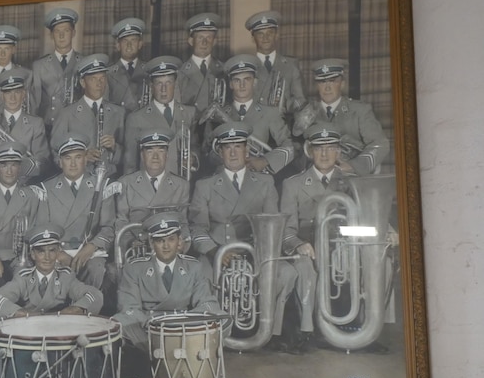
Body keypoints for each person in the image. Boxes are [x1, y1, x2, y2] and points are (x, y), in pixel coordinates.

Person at [188, 123, 296, 351]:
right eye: (228, 147)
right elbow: (197, 228)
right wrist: (215, 251)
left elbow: (271, 225)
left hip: (252, 251)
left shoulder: (265, 183)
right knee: (199, 273)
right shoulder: (204, 185)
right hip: (217, 251)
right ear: (220, 152)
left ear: (247, 150)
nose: (234, 152)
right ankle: (213, 331)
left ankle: (269, 332)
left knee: (286, 272)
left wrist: (257, 252)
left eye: (239, 146)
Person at [113, 212, 219, 363]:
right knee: (119, 323)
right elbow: (128, 307)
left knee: (219, 316)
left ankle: (185, 353)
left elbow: (206, 303)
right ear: (151, 243)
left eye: (171, 239)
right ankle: (151, 357)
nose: (166, 246)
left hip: (184, 327)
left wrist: (182, 323)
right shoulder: (134, 268)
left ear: (179, 242)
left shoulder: (194, 266)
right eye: (160, 241)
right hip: (148, 328)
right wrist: (153, 324)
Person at [279, 123, 348, 353]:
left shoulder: (351, 181)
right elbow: (286, 230)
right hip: (308, 247)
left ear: (339, 151)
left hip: (343, 247)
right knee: (305, 266)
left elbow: (366, 216)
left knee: (380, 263)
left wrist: (387, 229)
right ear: (310, 151)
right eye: (319, 148)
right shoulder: (293, 184)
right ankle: (306, 332)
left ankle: (365, 329)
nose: (325, 154)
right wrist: (298, 245)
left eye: (331, 147)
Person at [36, 133, 115, 290]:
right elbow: (42, 228)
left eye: (78, 157)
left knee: (96, 270)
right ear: (60, 162)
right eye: (67, 158)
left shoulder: (102, 185)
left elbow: (108, 228)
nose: (73, 164)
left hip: (90, 252)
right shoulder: (46, 189)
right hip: (57, 252)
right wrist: (58, 253)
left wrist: (90, 247)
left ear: (86, 159)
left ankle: (89, 310)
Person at [0, 223, 103, 319]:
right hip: (30, 332)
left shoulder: (65, 277)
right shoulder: (23, 278)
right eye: (41, 252)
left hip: (58, 332)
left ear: (58, 252)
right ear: (33, 254)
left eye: (52, 251)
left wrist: (73, 310)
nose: (47, 257)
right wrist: (24, 314)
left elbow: (96, 295)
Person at [0, 142, 42, 304]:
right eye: (4, 165)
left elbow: (35, 232)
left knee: (25, 277)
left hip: (20, 257)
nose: (9, 170)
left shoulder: (31, 196)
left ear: (20, 168)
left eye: (14, 165)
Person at [296, 58, 390, 175]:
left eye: (333, 81)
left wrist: (354, 166)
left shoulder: (359, 111)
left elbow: (380, 144)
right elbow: (297, 148)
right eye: (322, 82)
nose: (327, 88)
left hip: (351, 178)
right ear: (317, 86)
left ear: (342, 84)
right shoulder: (307, 112)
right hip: (315, 179)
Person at [114, 127, 191, 263]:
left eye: (161, 151)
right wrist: (130, 242)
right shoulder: (126, 183)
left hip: (170, 250)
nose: (155, 157)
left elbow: (183, 222)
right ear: (142, 155)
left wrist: (183, 241)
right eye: (150, 151)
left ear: (167, 154)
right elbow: (121, 222)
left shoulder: (181, 185)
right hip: (139, 249)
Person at [216, 53, 295, 175]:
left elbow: (289, 147)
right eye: (237, 80)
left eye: (247, 79)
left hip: (258, 178)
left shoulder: (270, 112)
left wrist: (264, 161)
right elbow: (208, 152)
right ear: (231, 84)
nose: (242, 85)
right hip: (225, 176)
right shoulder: (219, 114)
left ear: (255, 82)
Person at [49, 53, 125, 176]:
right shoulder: (66, 114)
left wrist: (115, 147)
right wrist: (81, 158)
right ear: (83, 83)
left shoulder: (119, 112)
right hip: (79, 180)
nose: (99, 84)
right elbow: (55, 154)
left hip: (109, 178)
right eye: (93, 79)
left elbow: (129, 156)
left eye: (102, 78)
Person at [123, 56, 198, 178]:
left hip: (182, 186)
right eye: (159, 83)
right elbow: (130, 164)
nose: (164, 89)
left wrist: (194, 157)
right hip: (150, 190)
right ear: (151, 86)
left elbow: (195, 146)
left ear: (175, 84)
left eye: (168, 83)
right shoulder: (136, 118)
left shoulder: (189, 113)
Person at [0, 69, 52, 182]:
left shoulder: (36, 123)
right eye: (8, 92)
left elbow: (43, 160)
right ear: (1, 95)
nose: (12, 98)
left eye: (17, 92)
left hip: (25, 183)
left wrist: (23, 168)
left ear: (23, 94)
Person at [245, 10, 305, 115]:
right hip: (256, 127)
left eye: (270, 33)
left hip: (283, 125)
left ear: (277, 35)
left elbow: (301, 100)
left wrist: (284, 104)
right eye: (260, 34)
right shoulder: (246, 67)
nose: (265, 38)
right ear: (252, 38)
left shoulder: (291, 65)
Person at [31, 7, 82, 130]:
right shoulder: (39, 66)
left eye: (66, 30)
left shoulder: (84, 62)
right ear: (51, 35)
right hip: (49, 127)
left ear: (73, 33)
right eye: (57, 31)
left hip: (77, 126)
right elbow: (34, 104)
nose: (61, 35)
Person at [178, 13, 226, 112]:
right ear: (191, 41)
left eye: (209, 38)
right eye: (200, 37)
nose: (204, 43)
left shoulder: (224, 70)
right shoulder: (179, 73)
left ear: (215, 41)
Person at [106, 17, 148, 113]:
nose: (129, 45)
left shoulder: (149, 70)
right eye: (125, 41)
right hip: (119, 125)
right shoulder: (108, 74)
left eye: (133, 40)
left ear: (140, 44)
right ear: (118, 46)